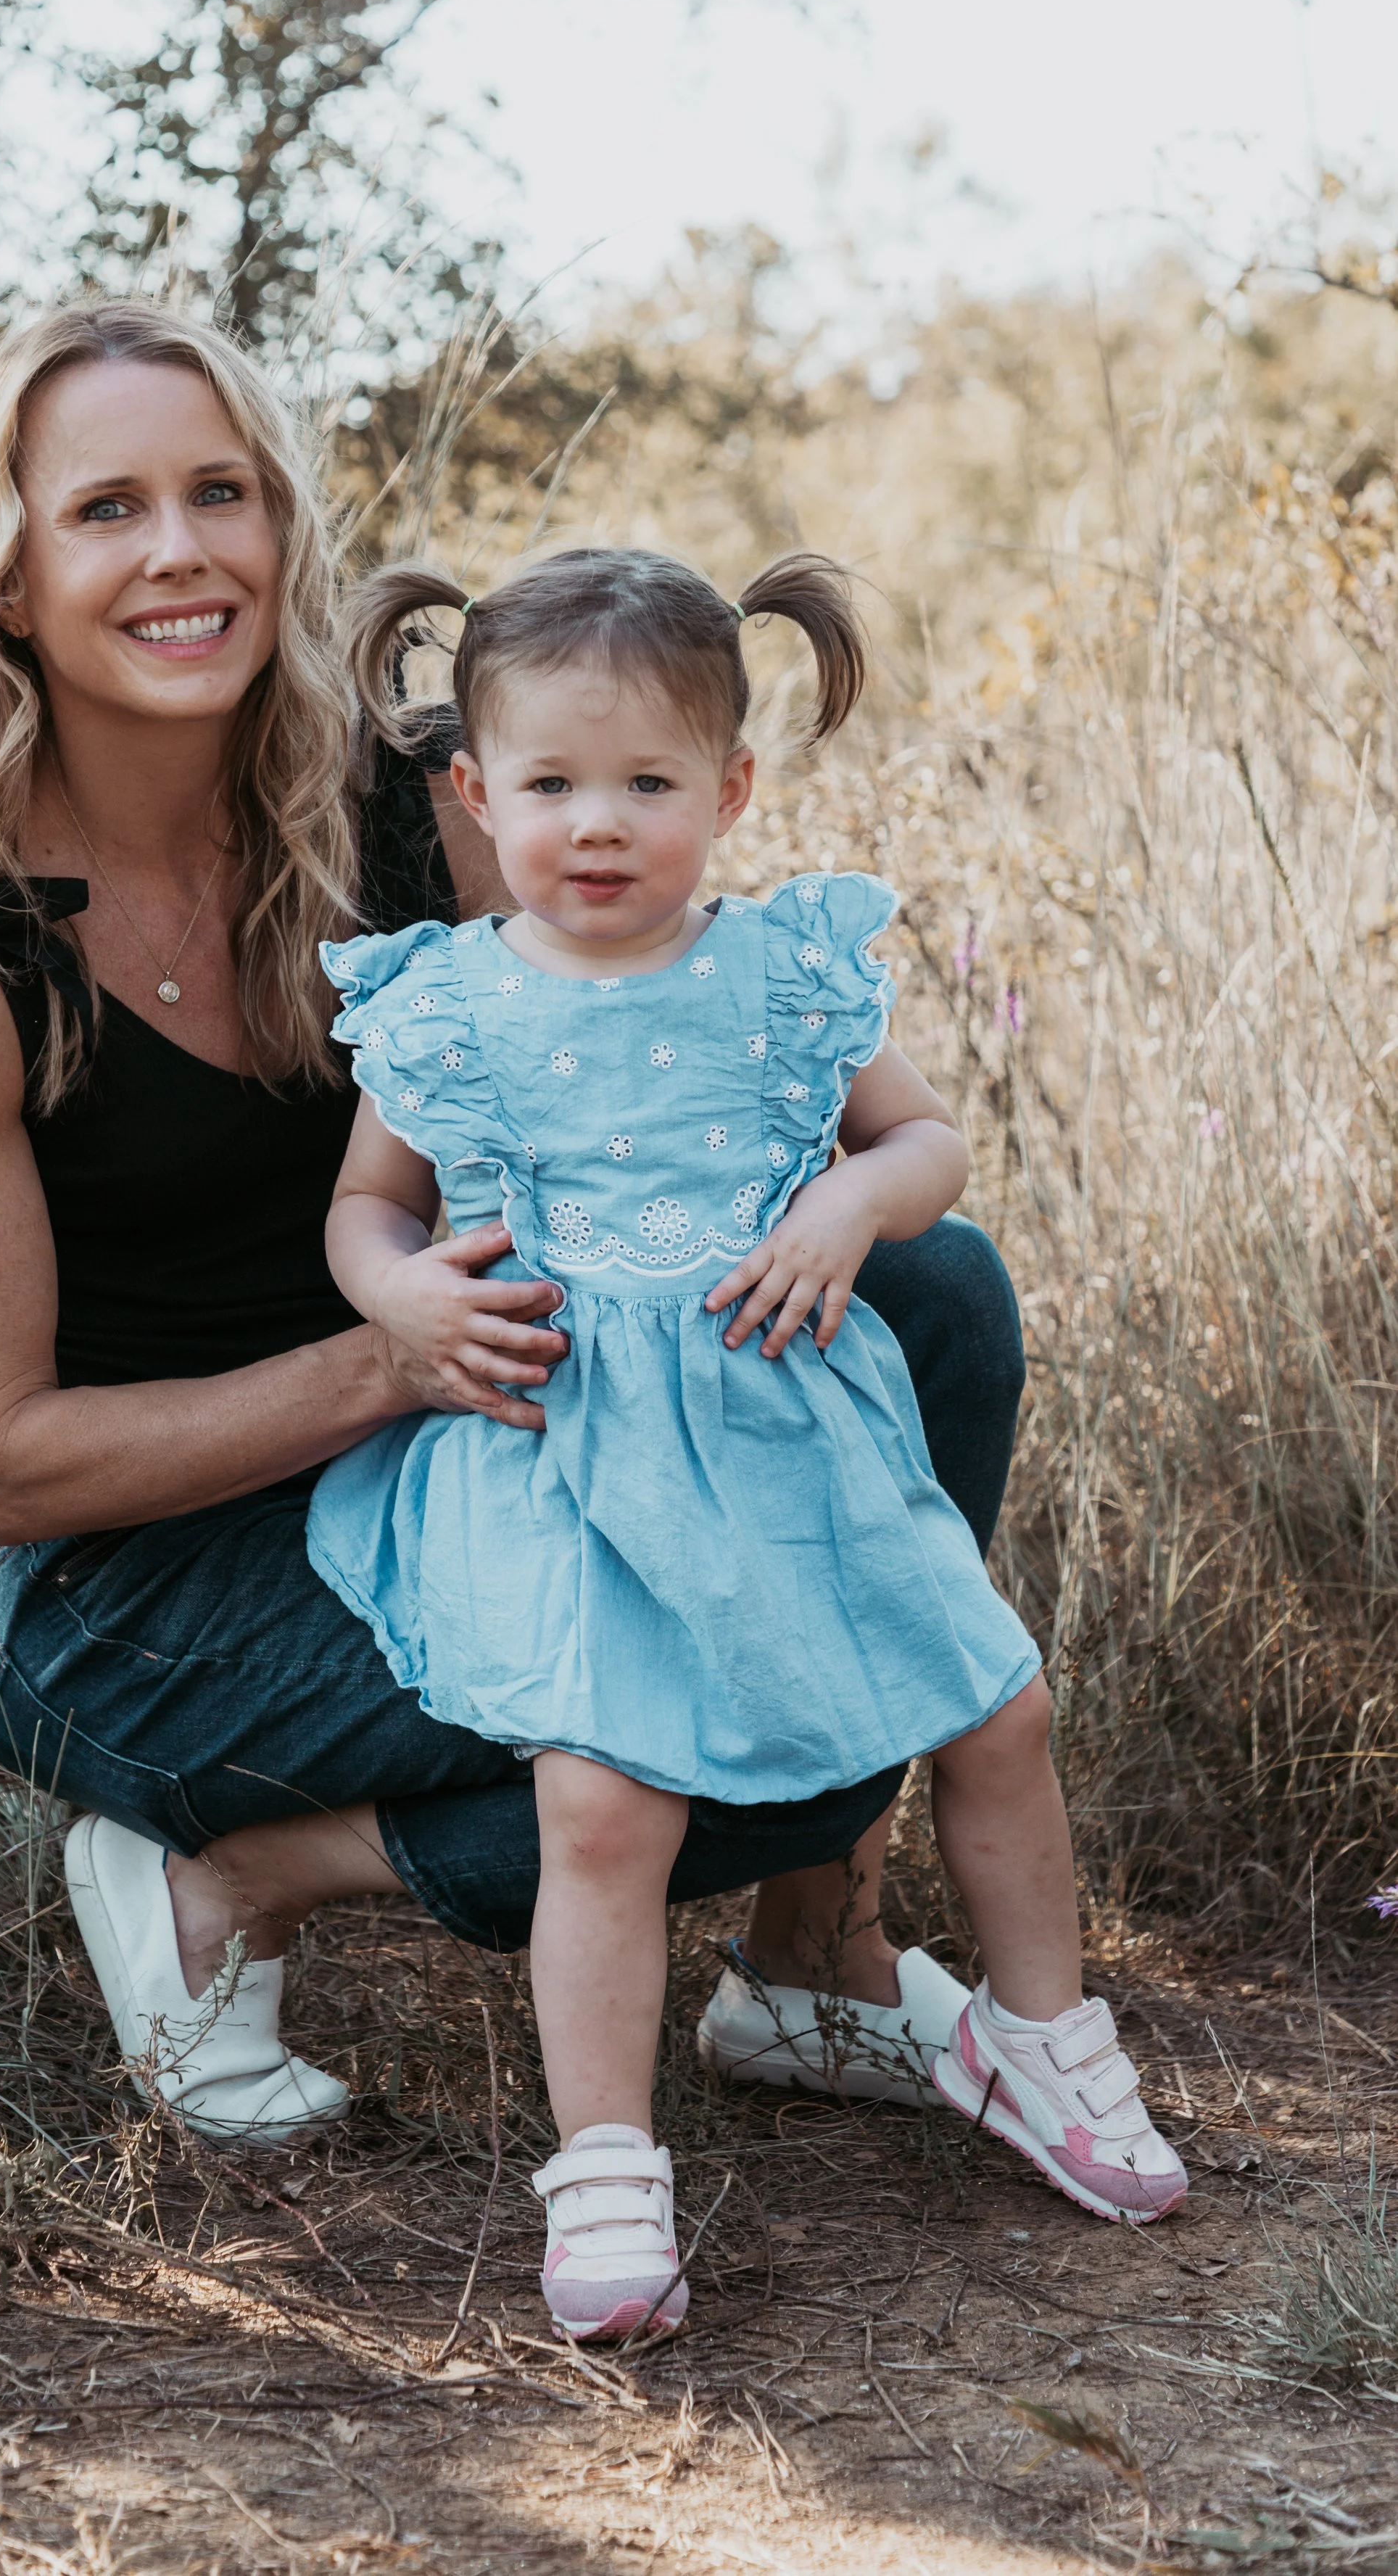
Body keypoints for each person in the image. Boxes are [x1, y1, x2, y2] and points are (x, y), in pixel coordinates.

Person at [0, 294, 1027, 2164]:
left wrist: (843, 1193)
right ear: (2, 574)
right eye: (105, 509)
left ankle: (810, 1968)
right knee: (640, 1749)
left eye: (220, 492)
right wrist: (385, 1360)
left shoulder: (411, 805)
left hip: (469, 1434)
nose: (179, 553)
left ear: (282, 527)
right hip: (153, 1582)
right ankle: (225, 1868)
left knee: (924, 1297)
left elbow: (697, 1026)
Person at [310, 546, 1188, 2340]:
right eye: (550, 785)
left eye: (648, 784)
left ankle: (1040, 2041)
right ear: (473, 795)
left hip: (780, 1423)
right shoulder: (449, 1006)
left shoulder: (782, 975)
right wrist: (398, 1304)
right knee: (604, 1793)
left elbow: (927, 1146)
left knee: (993, 1706)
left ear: (731, 790)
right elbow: (365, 1213)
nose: (599, 825)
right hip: (556, 1446)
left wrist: (852, 1204)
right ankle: (608, 2162)